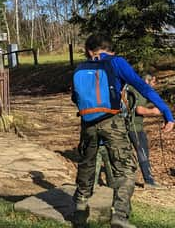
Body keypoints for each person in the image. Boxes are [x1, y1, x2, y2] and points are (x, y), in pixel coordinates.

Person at [70, 34, 174, 228]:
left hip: (87, 125)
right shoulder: (116, 62)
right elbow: (142, 86)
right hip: (112, 122)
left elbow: (75, 98)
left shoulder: (81, 67)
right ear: (110, 49)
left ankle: (79, 212)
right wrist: (166, 112)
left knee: (87, 166)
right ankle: (119, 215)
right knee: (126, 169)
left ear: (90, 51)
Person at [125, 74, 162, 188]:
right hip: (134, 126)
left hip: (129, 125)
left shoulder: (134, 87)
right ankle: (149, 181)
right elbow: (139, 109)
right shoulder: (140, 90)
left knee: (132, 152)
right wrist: (154, 112)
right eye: (153, 82)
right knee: (142, 152)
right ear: (147, 80)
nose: (154, 85)